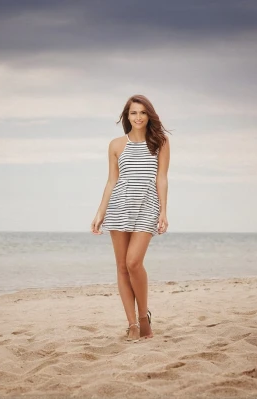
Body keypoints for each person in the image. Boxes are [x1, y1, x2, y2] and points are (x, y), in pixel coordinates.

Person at [91, 94, 170, 341]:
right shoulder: (115, 145)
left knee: (134, 262)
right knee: (122, 267)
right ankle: (132, 324)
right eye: (134, 113)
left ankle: (144, 316)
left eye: (143, 113)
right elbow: (112, 180)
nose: (138, 117)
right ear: (127, 116)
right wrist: (100, 213)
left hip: (147, 207)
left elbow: (162, 178)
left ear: (149, 116)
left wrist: (164, 211)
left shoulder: (160, 143)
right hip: (119, 207)